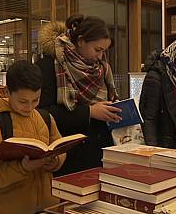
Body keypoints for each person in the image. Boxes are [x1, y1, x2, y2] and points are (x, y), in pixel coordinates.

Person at [0, 61, 66, 214]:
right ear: (8, 92)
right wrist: (23, 167)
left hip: (47, 205)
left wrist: (54, 161)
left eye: (36, 100)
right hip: (6, 207)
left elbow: (60, 149)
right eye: (23, 101)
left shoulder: (45, 117)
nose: (29, 107)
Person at [36, 14, 121, 176]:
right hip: (66, 154)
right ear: (81, 41)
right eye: (97, 50)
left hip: (99, 152)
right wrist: (89, 112)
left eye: (104, 51)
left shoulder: (101, 68)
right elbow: (42, 113)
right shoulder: (50, 65)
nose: (101, 56)